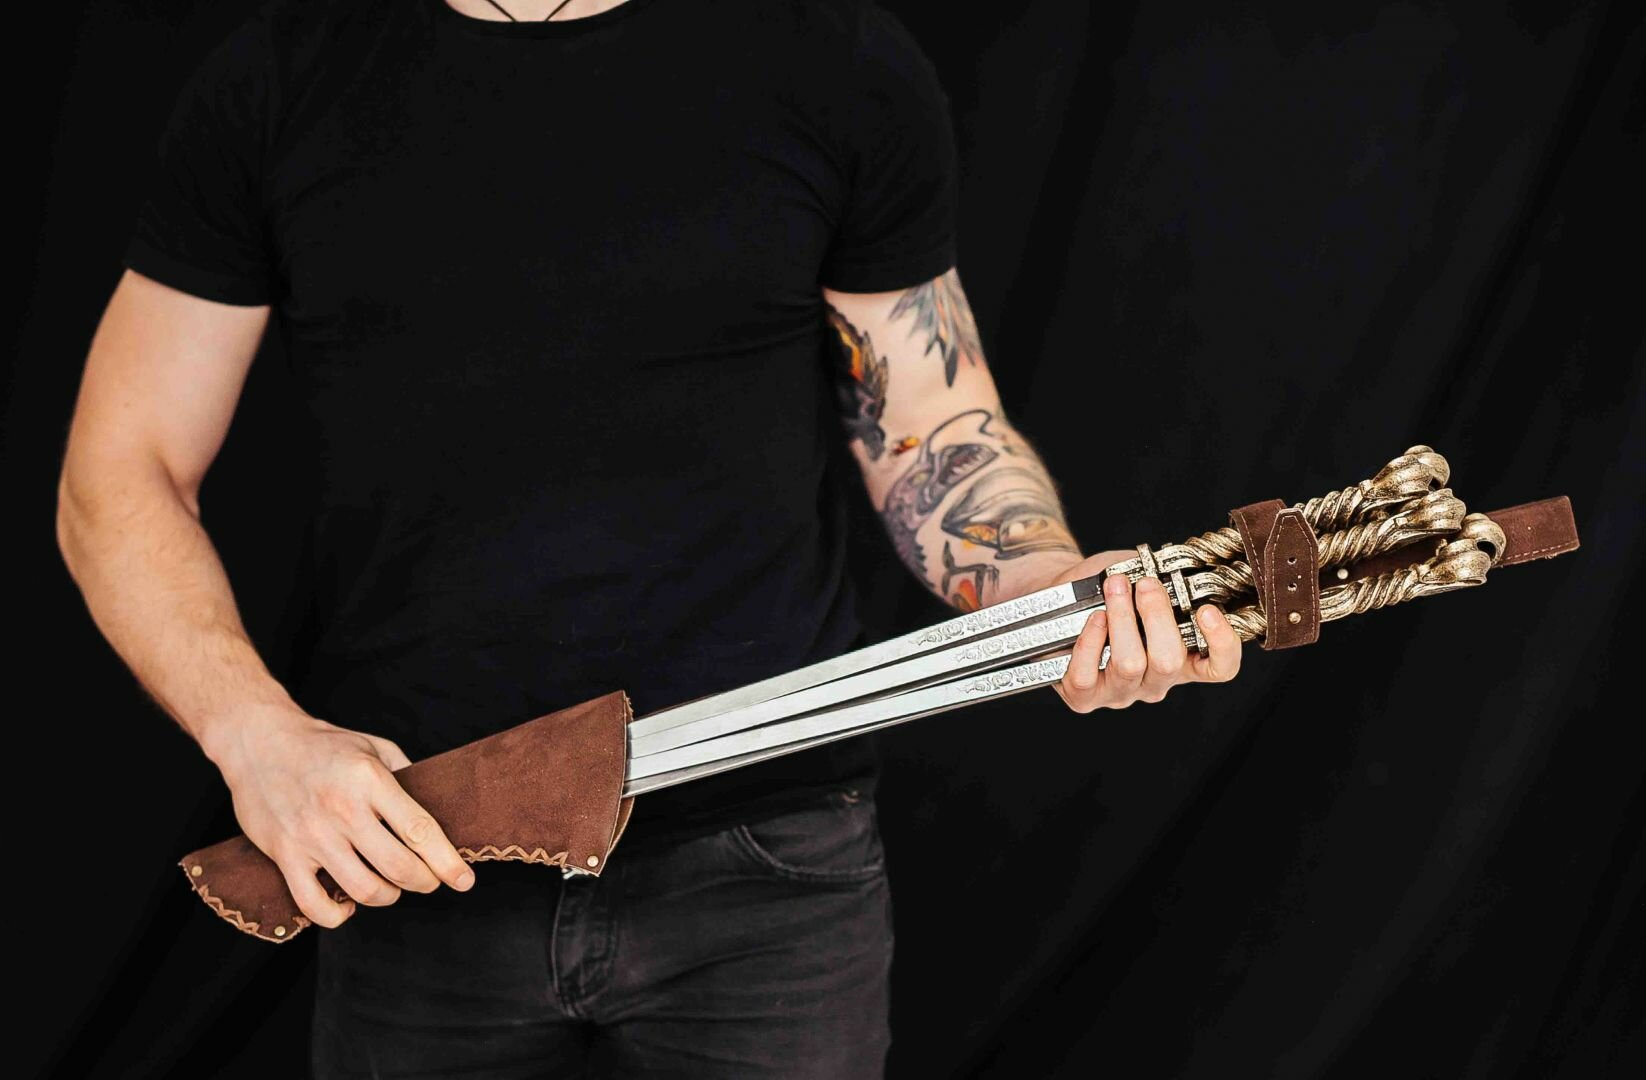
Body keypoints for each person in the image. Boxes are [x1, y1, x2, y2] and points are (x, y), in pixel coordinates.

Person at [56, 0, 1242, 1075]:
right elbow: (122, 470)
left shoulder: (831, 55)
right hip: (419, 847)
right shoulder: (279, 76)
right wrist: (254, 735)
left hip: (769, 863)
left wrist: (1045, 590)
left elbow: (930, 422)